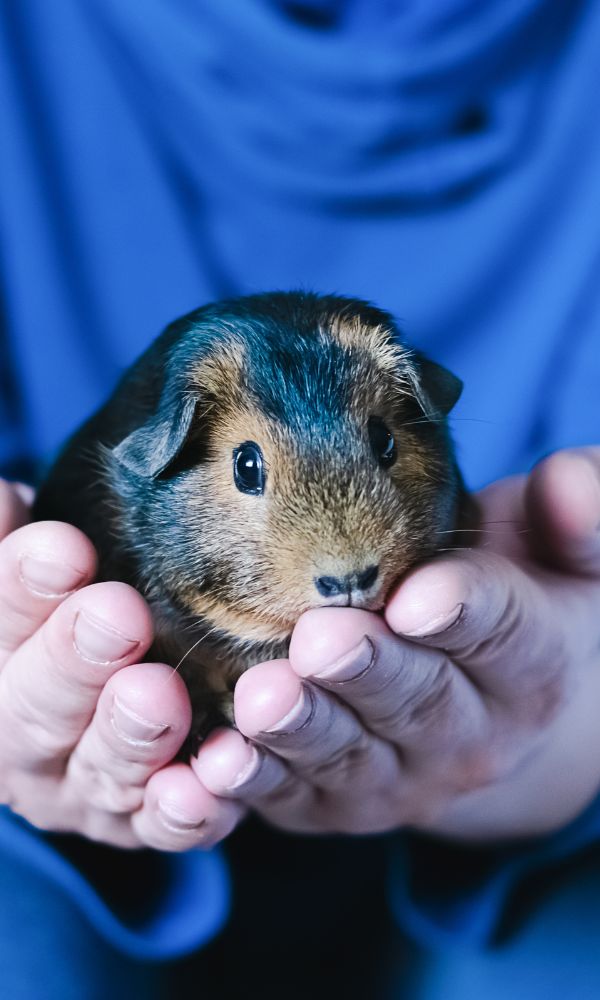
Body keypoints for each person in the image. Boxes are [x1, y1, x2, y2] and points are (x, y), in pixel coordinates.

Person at [1, 2, 599, 997]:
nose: (348, 544)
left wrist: (567, 741)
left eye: (382, 442)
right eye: (249, 468)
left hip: (534, 822)